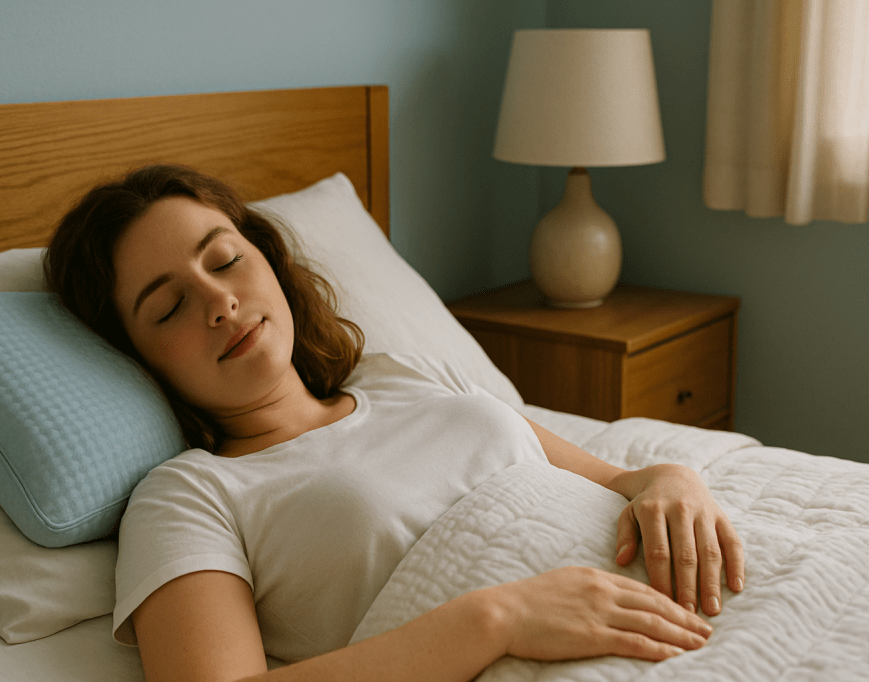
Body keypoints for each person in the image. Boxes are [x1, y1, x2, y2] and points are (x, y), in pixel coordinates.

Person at [45, 164, 745, 682]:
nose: (221, 303)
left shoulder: (401, 373)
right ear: (136, 359)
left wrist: (672, 480)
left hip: (688, 613)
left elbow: (616, 478)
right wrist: (495, 620)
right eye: (167, 308)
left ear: (268, 260)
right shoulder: (191, 494)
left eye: (226, 259)